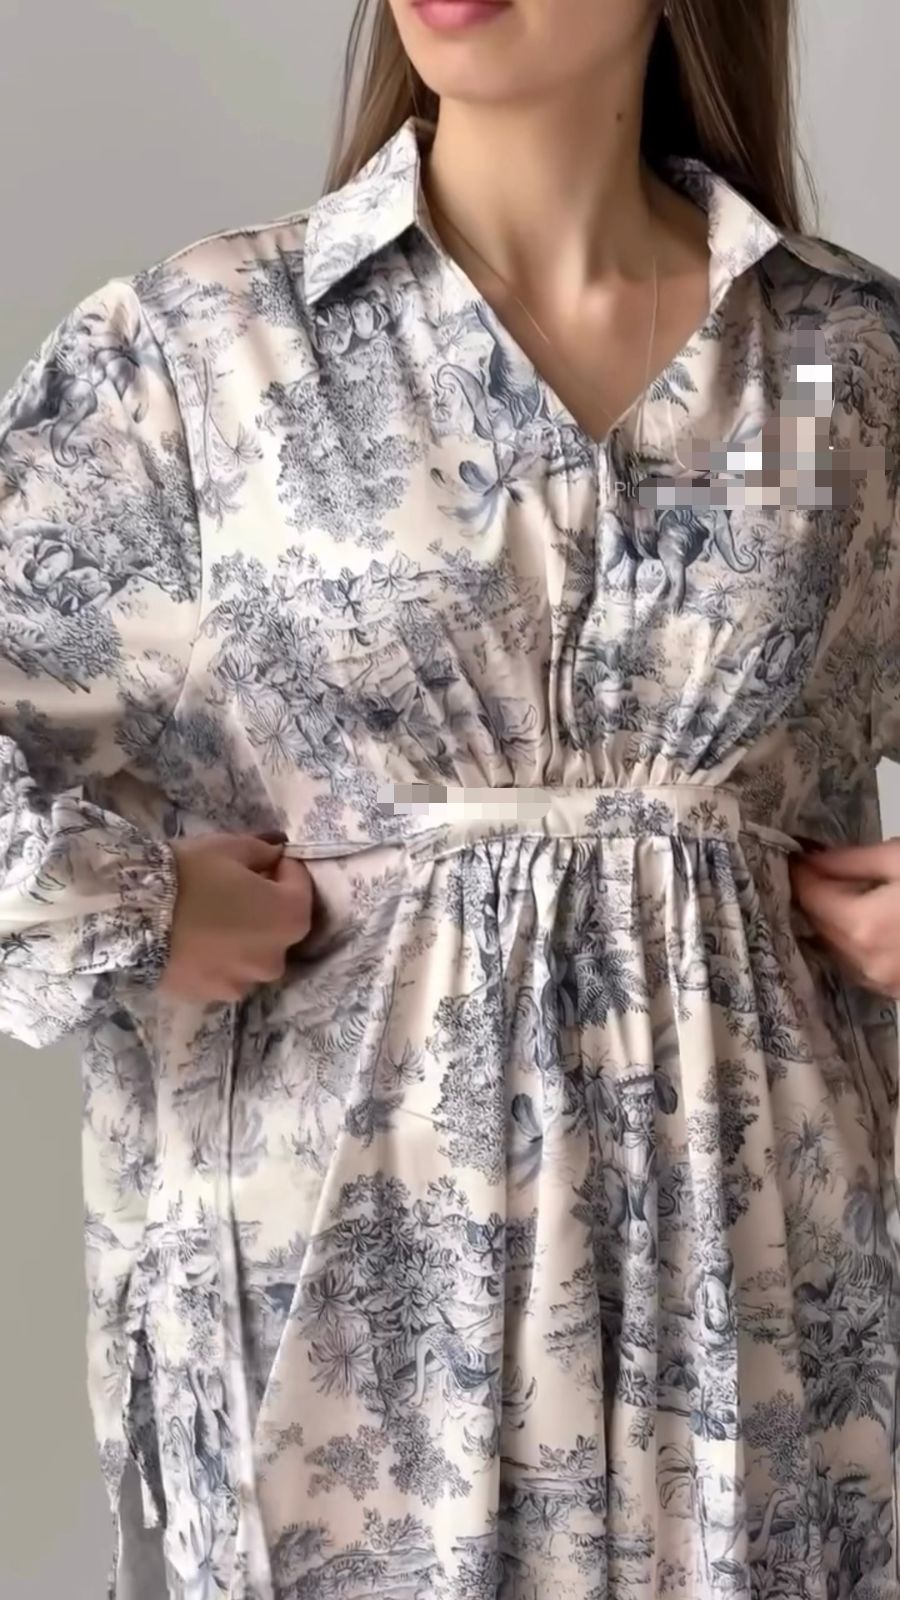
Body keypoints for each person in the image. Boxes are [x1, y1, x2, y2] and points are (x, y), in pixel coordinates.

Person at [2, 0, 900, 1594]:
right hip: (341, 1363)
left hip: (761, 1363)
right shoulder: (205, 361)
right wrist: (132, 902)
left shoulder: (837, 365)